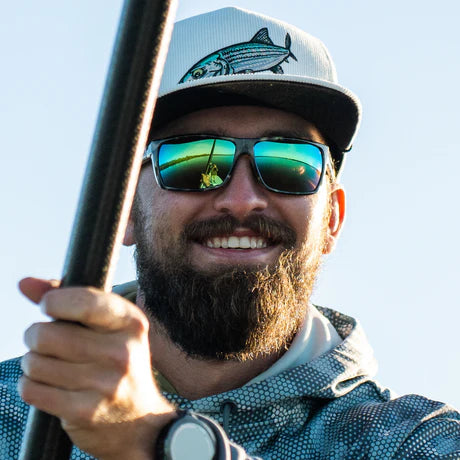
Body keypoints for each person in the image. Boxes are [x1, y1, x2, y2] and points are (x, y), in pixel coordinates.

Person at [1, 7, 459, 460]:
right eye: (194, 161)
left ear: (332, 219)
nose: (242, 200)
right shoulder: (11, 416)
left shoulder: (415, 443)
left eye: (289, 163)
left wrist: (153, 439)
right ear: (124, 212)